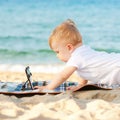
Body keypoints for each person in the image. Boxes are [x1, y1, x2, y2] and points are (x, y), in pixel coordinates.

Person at [34, 19, 120, 91]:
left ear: (69, 47)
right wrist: (82, 85)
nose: (57, 56)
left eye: (57, 52)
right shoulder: (84, 51)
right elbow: (86, 70)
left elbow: (63, 76)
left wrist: (49, 87)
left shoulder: (76, 57)